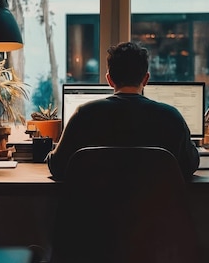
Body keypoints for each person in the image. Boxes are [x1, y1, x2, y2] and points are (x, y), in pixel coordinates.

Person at [47, 41, 200, 181]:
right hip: (156, 209)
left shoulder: (85, 114)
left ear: (109, 79)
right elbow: (189, 166)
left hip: (95, 210)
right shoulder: (171, 116)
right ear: (146, 79)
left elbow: (58, 167)